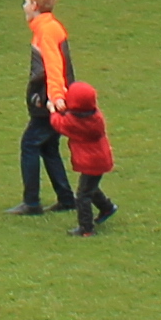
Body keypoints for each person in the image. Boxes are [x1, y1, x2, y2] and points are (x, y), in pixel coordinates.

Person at [16, 0, 79, 217]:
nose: (23, 7)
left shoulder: (45, 31)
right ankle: (65, 198)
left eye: (25, 3)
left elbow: (54, 66)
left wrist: (55, 97)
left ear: (34, 6)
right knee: (48, 147)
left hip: (47, 101)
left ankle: (31, 202)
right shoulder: (50, 27)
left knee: (30, 144)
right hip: (51, 98)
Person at [52, 78, 118, 235]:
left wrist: (53, 109)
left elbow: (59, 123)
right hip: (100, 159)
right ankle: (107, 208)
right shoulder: (94, 116)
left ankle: (86, 228)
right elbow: (73, 117)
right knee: (90, 187)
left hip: (91, 162)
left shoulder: (74, 122)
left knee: (82, 195)